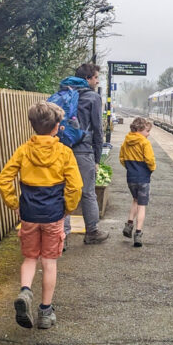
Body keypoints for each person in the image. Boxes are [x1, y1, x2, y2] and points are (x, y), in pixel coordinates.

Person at [0, 101, 83, 329]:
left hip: (29, 213)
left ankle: (25, 291)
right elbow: (75, 186)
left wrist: (14, 203)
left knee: (30, 258)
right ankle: (45, 311)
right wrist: (68, 208)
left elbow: (3, 179)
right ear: (57, 126)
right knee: (49, 261)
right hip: (53, 214)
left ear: (33, 125)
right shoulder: (64, 152)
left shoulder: (24, 150)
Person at [60, 63, 110, 245]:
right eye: (96, 77)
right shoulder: (93, 97)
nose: (97, 81)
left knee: (64, 192)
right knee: (87, 192)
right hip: (83, 151)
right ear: (87, 79)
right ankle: (92, 232)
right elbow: (97, 129)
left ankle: (62, 237)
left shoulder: (64, 93)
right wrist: (97, 158)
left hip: (62, 149)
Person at [119, 117, 156, 247]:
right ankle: (138, 233)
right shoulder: (145, 143)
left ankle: (129, 225)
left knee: (135, 199)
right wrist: (151, 169)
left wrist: (130, 168)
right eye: (147, 131)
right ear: (140, 130)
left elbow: (122, 158)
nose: (148, 134)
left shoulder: (126, 141)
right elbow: (150, 160)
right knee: (142, 205)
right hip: (143, 177)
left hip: (131, 177)